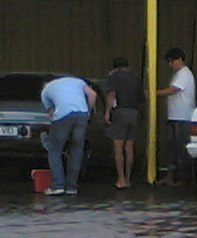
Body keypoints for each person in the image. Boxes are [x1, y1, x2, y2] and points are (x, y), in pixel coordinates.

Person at [39, 75, 97, 196]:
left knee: (54, 149)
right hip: (82, 114)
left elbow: (52, 113)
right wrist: (88, 113)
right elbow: (93, 95)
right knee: (76, 150)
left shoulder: (45, 91)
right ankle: (71, 187)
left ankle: (57, 186)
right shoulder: (78, 81)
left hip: (63, 115)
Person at [156, 47, 196, 185]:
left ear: (179, 59)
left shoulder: (184, 74)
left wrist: (155, 93)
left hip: (183, 117)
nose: (170, 64)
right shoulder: (179, 74)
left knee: (181, 147)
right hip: (174, 116)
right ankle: (171, 175)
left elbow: (173, 90)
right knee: (172, 146)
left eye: (171, 61)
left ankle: (184, 177)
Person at [104, 56, 143, 188]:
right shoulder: (136, 78)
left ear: (115, 67)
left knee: (118, 148)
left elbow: (111, 95)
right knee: (129, 147)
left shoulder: (114, 76)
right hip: (134, 113)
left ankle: (121, 179)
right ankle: (128, 178)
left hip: (120, 112)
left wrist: (107, 112)